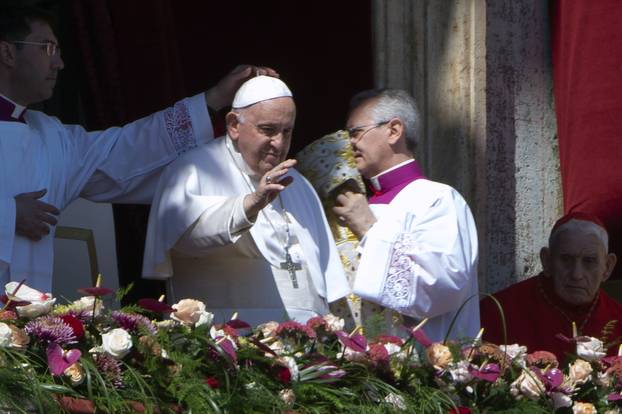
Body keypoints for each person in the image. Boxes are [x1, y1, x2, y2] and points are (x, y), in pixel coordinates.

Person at [0, 5, 274, 293]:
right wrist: (9, 214)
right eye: (47, 48)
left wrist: (213, 100)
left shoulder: (51, 136)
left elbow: (125, 153)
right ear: (7, 53)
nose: (59, 63)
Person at [142, 75, 350, 325]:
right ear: (233, 125)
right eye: (268, 130)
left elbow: (322, 281)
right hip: (224, 343)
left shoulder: (299, 184)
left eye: (287, 131)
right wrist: (249, 206)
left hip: (301, 347)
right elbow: (184, 233)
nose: (280, 143)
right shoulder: (192, 169)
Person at [333, 89, 480, 341]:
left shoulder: (437, 199)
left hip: (424, 366)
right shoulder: (360, 203)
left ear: (394, 130)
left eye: (355, 132)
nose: (349, 144)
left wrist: (369, 229)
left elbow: (439, 288)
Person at [480, 212, 622, 361]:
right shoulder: (496, 313)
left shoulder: (618, 320)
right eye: (566, 259)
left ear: (607, 267)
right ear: (547, 261)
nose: (577, 274)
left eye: (589, 261)